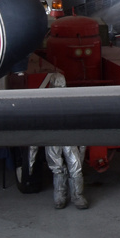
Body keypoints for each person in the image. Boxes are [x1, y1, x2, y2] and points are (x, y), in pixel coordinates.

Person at [29, 72, 88, 209]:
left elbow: (82, 124)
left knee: (75, 167)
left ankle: (77, 195)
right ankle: (60, 196)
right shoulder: (44, 104)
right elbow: (36, 128)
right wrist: (31, 158)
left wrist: (83, 146)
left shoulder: (71, 102)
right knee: (57, 168)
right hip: (53, 138)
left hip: (68, 138)